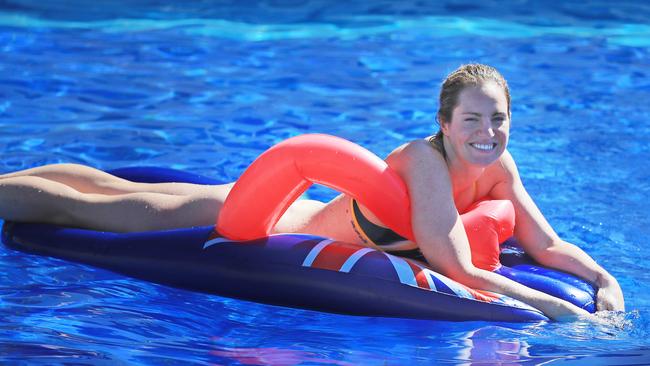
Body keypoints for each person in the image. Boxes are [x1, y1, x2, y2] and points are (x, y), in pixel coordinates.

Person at [0, 64, 624, 321]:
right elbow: (454, 264)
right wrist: (559, 312)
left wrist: (602, 281)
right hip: (269, 219)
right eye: (473, 121)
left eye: (498, 120)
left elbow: (546, 243)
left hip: (303, 216)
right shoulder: (425, 163)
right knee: (93, 208)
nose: (487, 133)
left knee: (107, 192)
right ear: (445, 123)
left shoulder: (499, 168)